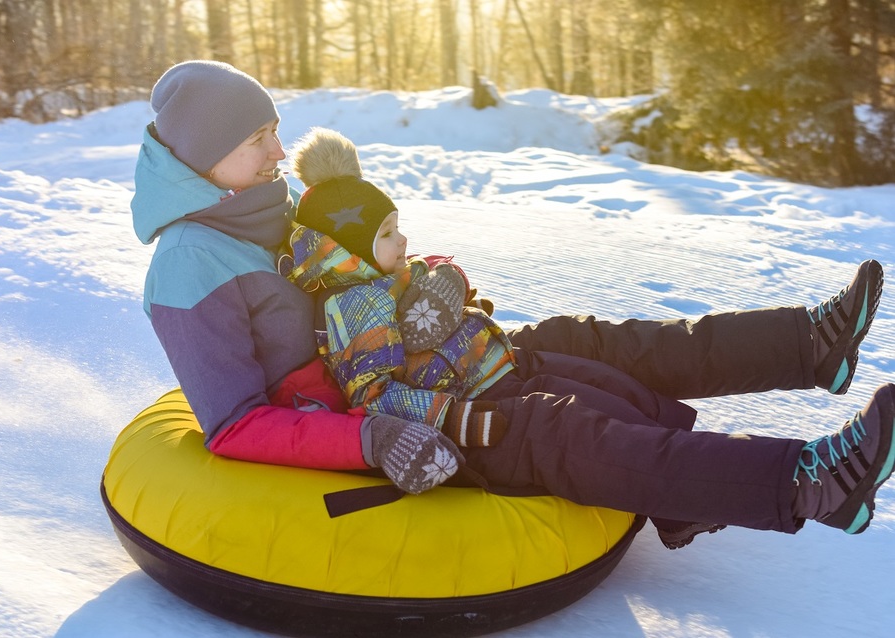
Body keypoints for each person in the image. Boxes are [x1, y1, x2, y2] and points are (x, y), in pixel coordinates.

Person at [131, 59, 893, 552]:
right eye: (257, 139)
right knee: (558, 428)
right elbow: (234, 424)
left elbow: (355, 273)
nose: (276, 151)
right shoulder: (189, 266)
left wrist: (435, 281)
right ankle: (806, 484)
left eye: (273, 131)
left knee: (588, 340)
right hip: (384, 415)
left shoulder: (266, 201)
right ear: (203, 158)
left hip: (429, 365)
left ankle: (806, 348)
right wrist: (374, 443)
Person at [280, 127, 514, 448]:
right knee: (568, 420)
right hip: (474, 395)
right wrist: (451, 418)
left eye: (397, 227)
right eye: (387, 233)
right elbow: (372, 395)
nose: (402, 239)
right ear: (355, 249)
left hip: (487, 367)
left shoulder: (381, 280)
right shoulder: (357, 304)